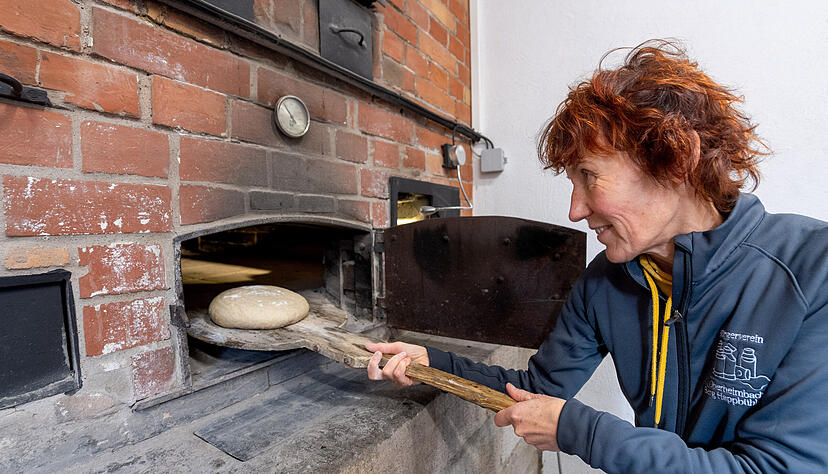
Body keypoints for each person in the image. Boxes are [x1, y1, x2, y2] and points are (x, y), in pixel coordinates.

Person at [365, 40, 828, 473]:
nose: (575, 209)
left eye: (589, 175)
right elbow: (538, 390)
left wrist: (579, 430)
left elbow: (774, 467)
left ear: (676, 160)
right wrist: (433, 362)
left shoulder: (812, 268)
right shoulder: (606, 280)